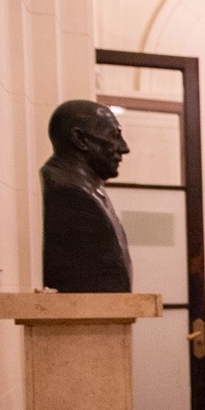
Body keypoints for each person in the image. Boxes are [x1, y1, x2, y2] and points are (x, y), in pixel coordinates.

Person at [41, 99, 133, 293]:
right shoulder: (70, 194)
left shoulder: (91, 190)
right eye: (114, 136)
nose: (124, 148)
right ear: (80, 140)